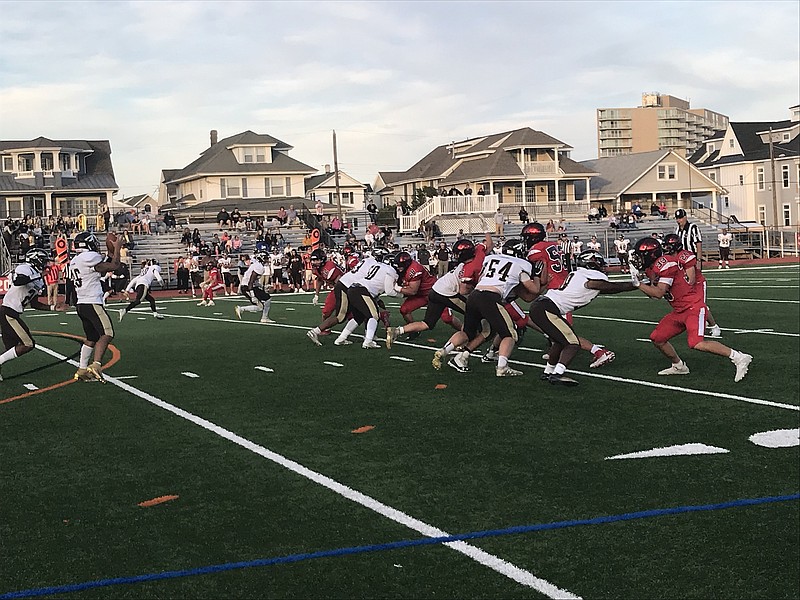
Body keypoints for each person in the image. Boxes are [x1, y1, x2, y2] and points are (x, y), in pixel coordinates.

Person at [630, 237, 752, 382]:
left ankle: (739, 357)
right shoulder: (652, 268)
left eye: (640, 255)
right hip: (679, 310)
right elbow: (653, 294)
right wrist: (642, 283)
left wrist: (638, 284)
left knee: (696, 342)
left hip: (693, 307)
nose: (637, 259)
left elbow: (658, 293)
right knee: (657, 338)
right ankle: (679, 366)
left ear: (650, 254)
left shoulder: (665, 264)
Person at [530, 251, 638, 386]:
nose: (602, 266)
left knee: (560, 341)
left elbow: (608, 289)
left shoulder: (579, 274)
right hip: (547, 308)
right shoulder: (590, 276)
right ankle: (557, 374)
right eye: (599, 263)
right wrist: (636, 284)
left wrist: (637, 285)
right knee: (572, 343)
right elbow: (610, 287)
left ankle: (548, 372)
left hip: (543, 306)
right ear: (592, 263)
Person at [434, 239, 539, 377]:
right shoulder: (521, 265)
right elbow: (534, 289)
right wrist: (537, 275)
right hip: (490, 298)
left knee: (469, 331)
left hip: (475, 296)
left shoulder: (490, 258)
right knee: (510, 333)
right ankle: (502, 367)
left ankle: (444, 351)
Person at [522, 222, 616, 368]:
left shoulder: (536, 251)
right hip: (566, 283)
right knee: (558, 331)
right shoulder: (555, 245)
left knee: (565, 333)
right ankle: (556, 350)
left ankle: (599, 352)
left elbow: (541, 276)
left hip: (558, 292)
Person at [387, 238, 487, 348]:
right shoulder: (471, 265)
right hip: (442, 292)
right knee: (473, 311)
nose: (455, 256)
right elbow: (463, 291)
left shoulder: (469, 264)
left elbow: (412, 290)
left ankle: (397, 330)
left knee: (430, 323)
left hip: (433, 290)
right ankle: (469, 337)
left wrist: (398, 288)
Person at [0, 249, 65, 380]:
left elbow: (35, 304)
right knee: (28, 344)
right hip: (8, 311)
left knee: (11, 348)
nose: (46, 264)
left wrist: (52, 307)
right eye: (44, 261)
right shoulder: (25, 268)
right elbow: (19, 281)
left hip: (13, 313)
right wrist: (39, 275)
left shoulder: (39, 279)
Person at [67, 231, 123, 382]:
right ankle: (96, 365)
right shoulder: (89, 257)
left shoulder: (76, 260)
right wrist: (117, 248)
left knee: (91, 338)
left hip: (81, 304)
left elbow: (106, 265)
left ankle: (82, 369)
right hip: (92, 302)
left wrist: (111, 252)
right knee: (107, 333)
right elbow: (115, 266)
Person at [332, 252, 400, 349]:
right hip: (362, 291)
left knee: (358, 317)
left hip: (353, 288)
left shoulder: (378, 265)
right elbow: (389, 291)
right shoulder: (390, 270)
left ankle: (341, 338)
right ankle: (368, 341)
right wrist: (402, 295)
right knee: (374, 315)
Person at [662, 234, 722, 338]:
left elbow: (692, 279)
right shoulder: (668, 258)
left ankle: (714, 326)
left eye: (669, 246)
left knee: (699, 305)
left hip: (696, 283)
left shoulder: (685, 256)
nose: (666, 248)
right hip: (684, 284)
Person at [234, 252, 274, 323]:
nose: (267, 260)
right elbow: (251, 281)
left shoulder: (257, 265)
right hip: (248, 287)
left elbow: (253, 281)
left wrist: (262, 286)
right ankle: (264, 318)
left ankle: (242, 309)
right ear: (261, 258)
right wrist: (253, 295)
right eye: (266, 258)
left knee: (261, 305)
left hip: (248, 286)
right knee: (265, 301)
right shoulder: (259, 267)